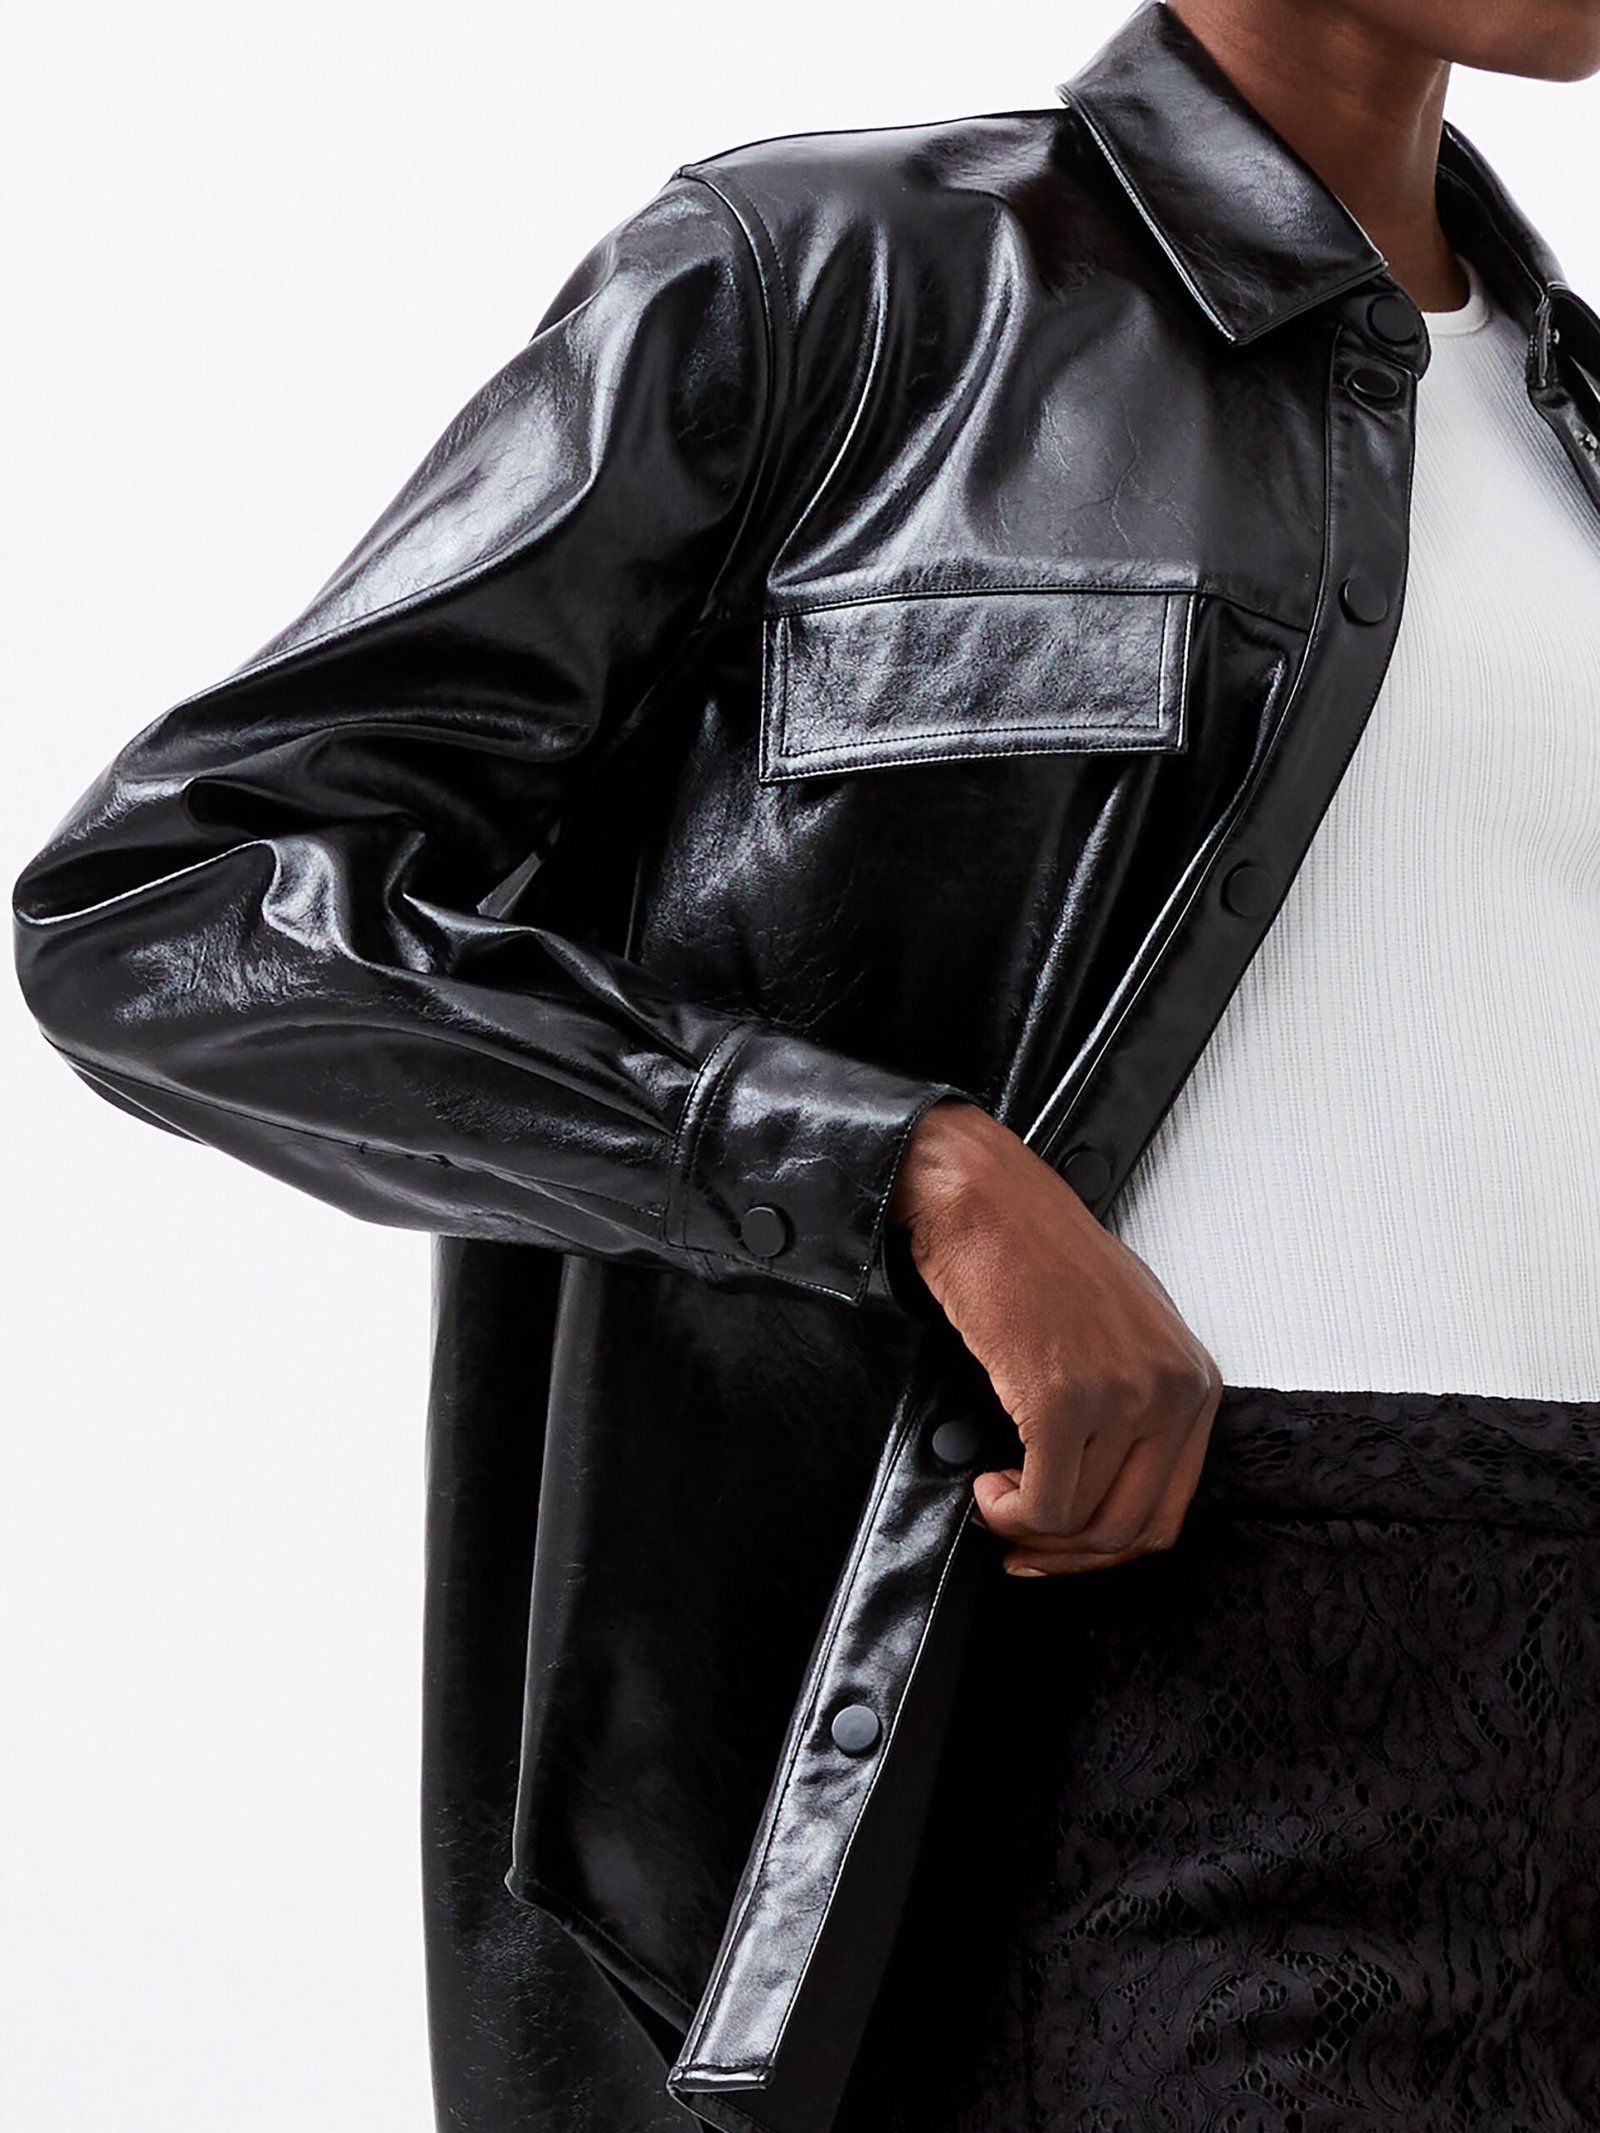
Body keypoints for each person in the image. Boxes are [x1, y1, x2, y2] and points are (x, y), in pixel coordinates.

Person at [14, 0, 1600, 2126]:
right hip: (1122, 1683)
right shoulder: (829, 289)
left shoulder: (1570, 415)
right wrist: (899, 1172)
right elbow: (168, 905)